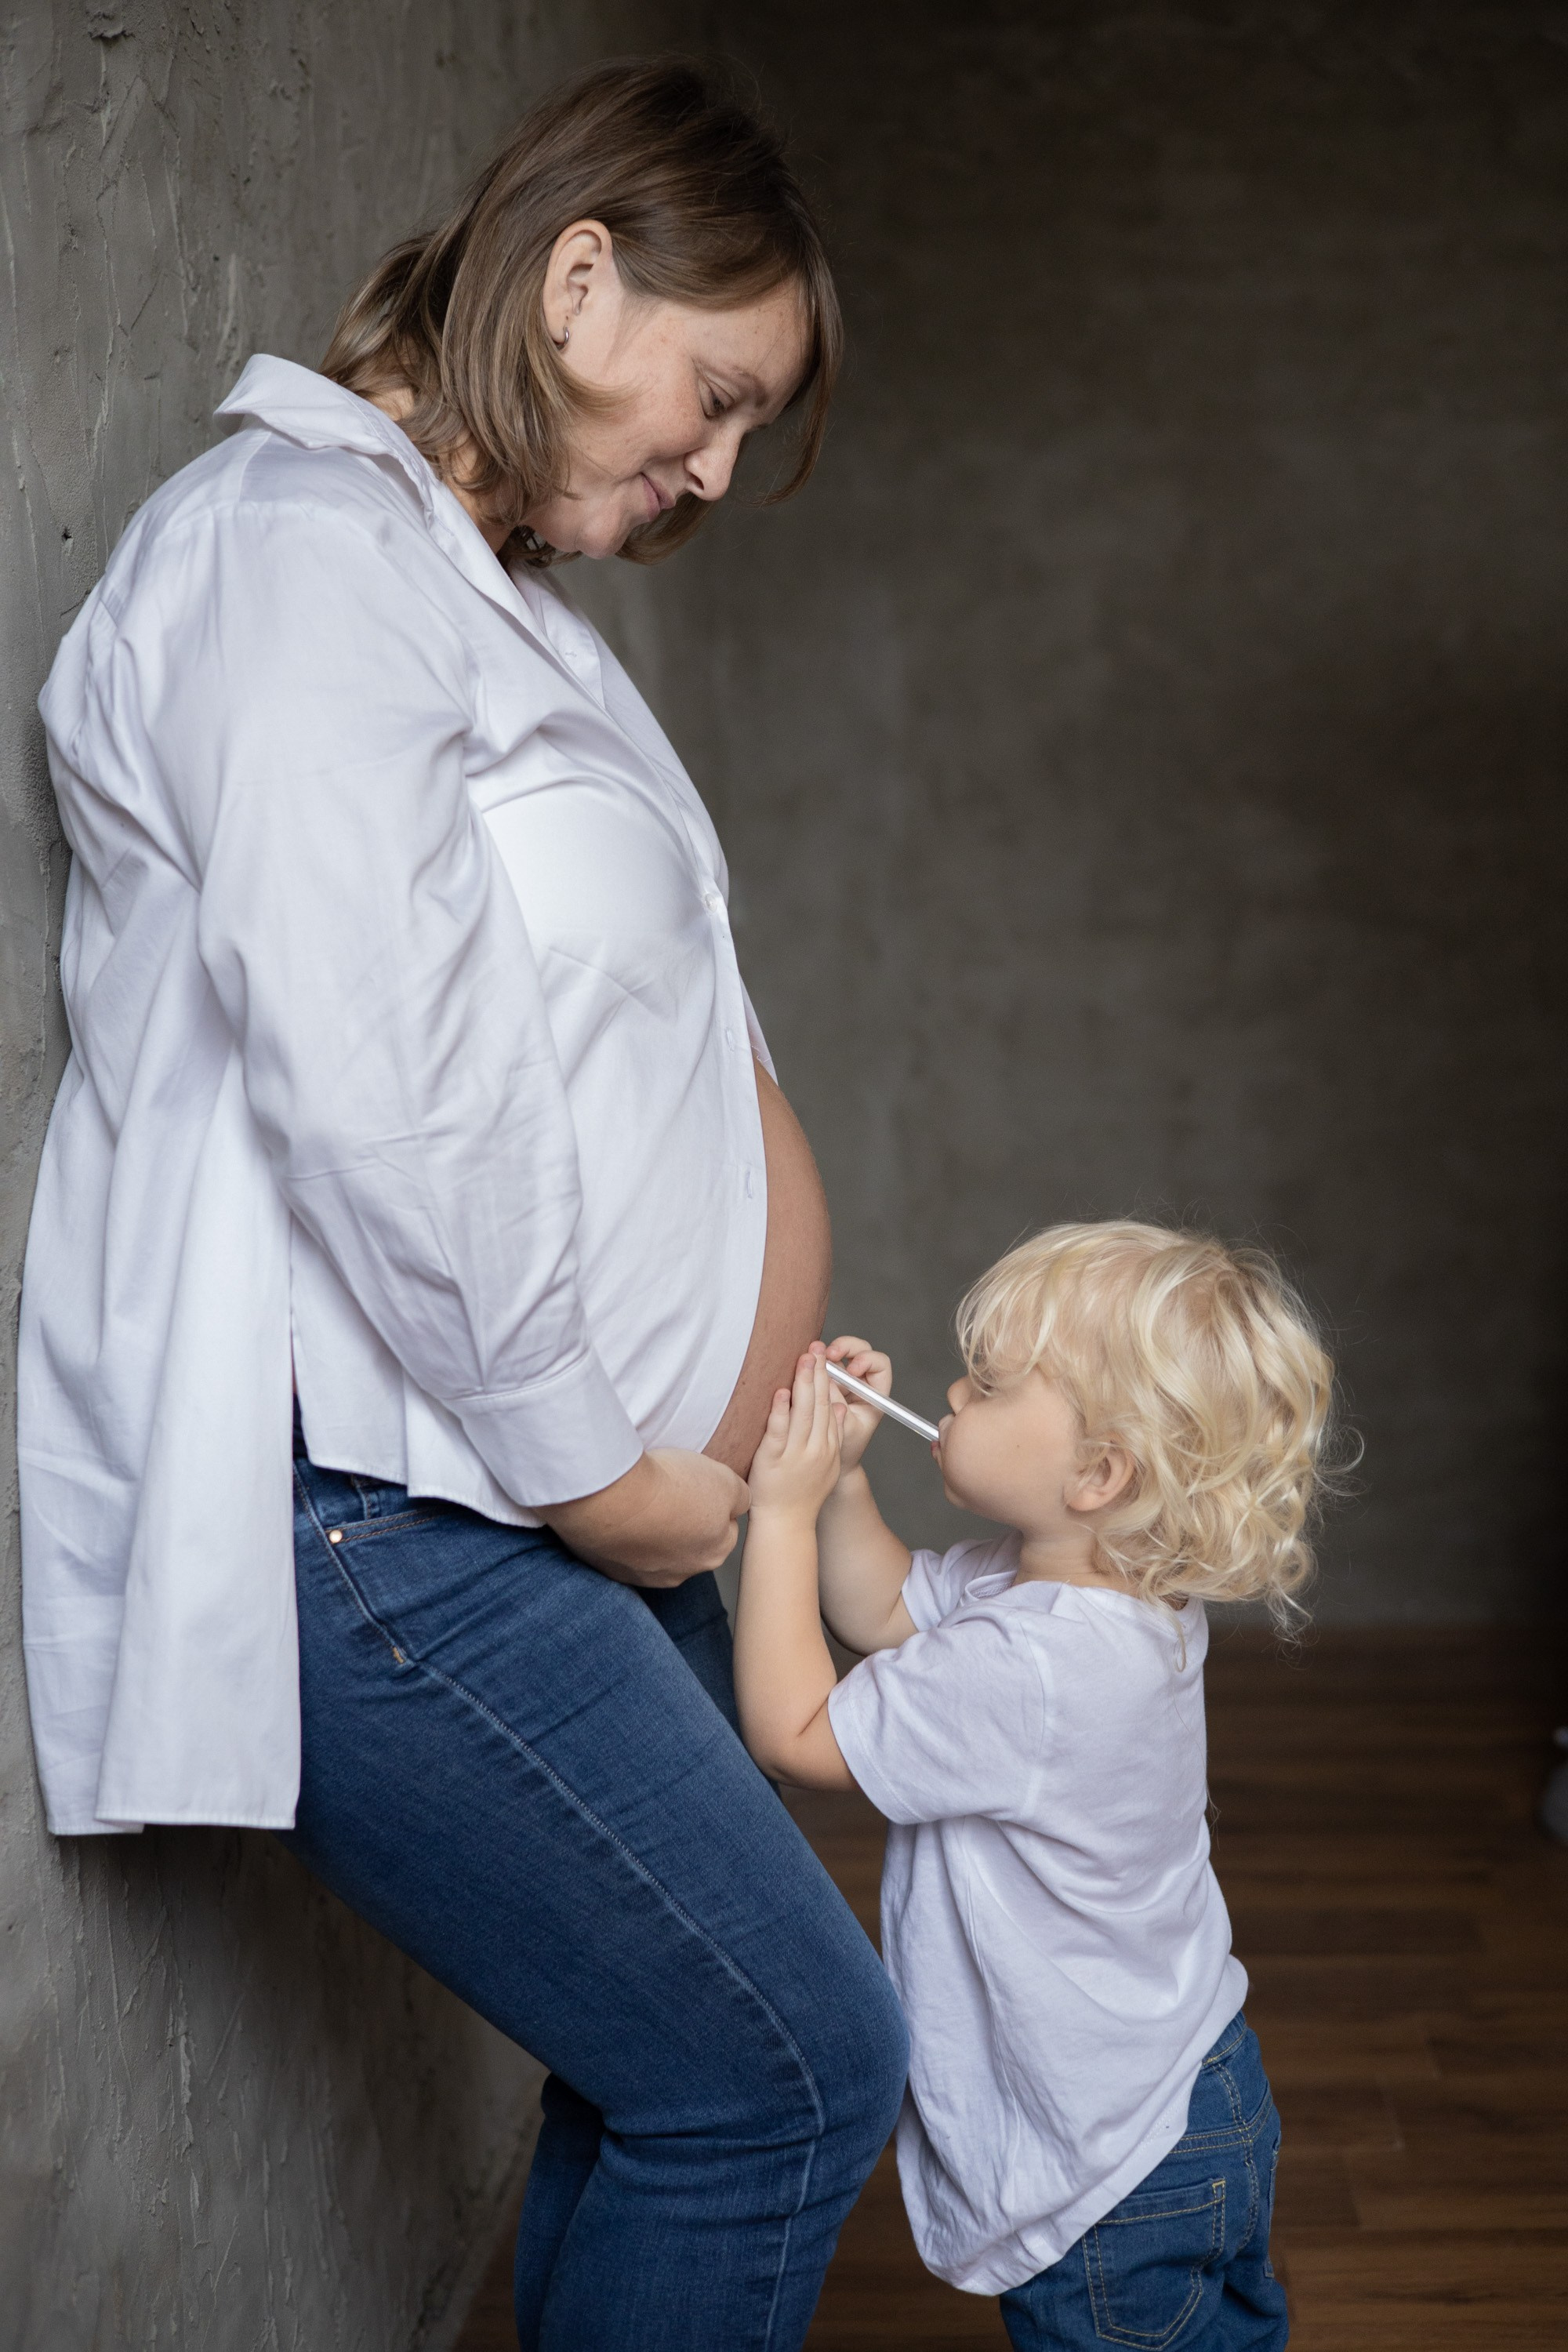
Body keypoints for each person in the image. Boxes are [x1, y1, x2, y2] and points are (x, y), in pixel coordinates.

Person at [19, 60, 906, 2352]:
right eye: (718, 397)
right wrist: (595, 1464)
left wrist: (735, 1469)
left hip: (535, 1502)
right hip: (400, 1510)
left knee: (675, 2077)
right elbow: (387, 1073)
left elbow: (641, 1056)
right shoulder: (293, 555)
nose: (718, 469)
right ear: (582, 279)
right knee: (795, 2072)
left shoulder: (490, 613)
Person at [735, 1221, 1338, 2350]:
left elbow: (798, 1732)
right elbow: (885, 1612)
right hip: (1195, 2089)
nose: (953, 1391)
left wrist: (775, 1513)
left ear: (1098, 1473)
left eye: (992, 1383)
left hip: (1108, 2165)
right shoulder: (1098, 1600)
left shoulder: (1033, 1671)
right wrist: (846, 1481)